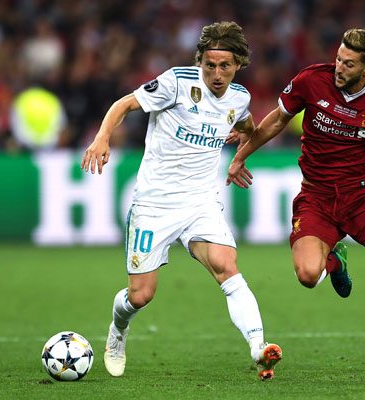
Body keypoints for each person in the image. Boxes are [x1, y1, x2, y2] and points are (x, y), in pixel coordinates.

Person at [227, 28, 365, 375]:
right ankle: (336, 261)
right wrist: (242, 155)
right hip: (315, 195)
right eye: (338, 58)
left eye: (348, 63)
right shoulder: (311, 80)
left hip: (362, 194)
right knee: (307, 275)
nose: (338, 68)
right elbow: (277, 120)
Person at [81, 21, 281, 381]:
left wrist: (243, 139)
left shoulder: (240, 97)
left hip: (200, 203)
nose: (216, 74)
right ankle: (117, 331)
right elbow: (124, 104)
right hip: (154, 205)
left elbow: (246, 123)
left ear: (238, 65)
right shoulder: (176, 82)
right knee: (140, 296)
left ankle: (259, 348)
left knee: (227, 267)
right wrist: (101, 138)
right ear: (200, 61)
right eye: (209, 65)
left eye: (225, 66)